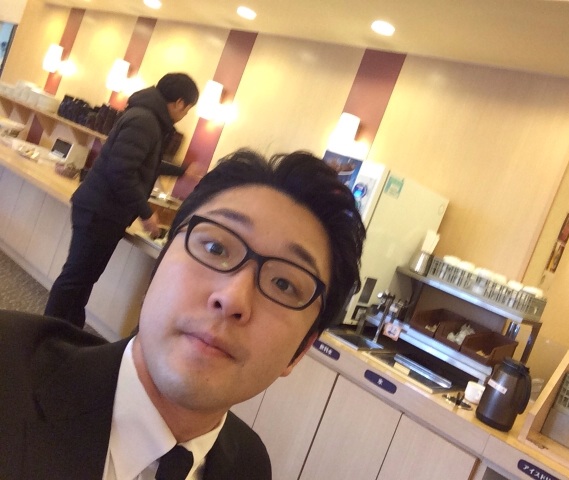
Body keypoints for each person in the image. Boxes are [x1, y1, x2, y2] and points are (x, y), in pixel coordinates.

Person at [0, 149, 366, 480]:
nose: (232, 298)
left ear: (300, 351)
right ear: (157, 270)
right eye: (215, 247)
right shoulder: (9, 372)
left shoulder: (250, 466)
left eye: (284, 284)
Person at [45, 72, 201, 328]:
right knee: (74, 279)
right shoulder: (145, 121)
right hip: (99, 211)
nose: (185, 114)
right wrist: (146, 213)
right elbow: (121, 171)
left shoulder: (148, 118)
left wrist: (182, 171)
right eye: (188, 109)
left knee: (83, 280)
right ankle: (45, 335)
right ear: (179, 103)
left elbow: (145, 162)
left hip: (103, 211)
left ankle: (68, 333)